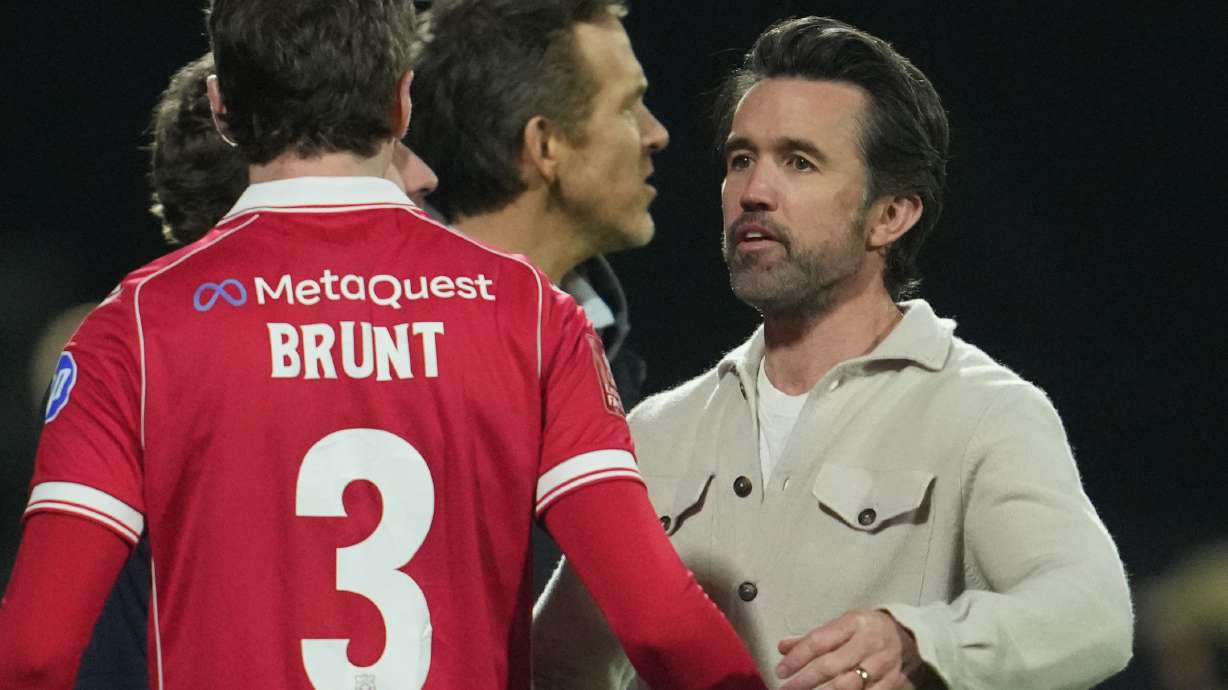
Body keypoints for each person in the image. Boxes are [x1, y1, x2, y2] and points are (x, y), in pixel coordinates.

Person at [0, 1, 766, 688]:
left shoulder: (132, 327)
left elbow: (36, 651)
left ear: (223, 109)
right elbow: (659, 621)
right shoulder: (532, 313)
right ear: (402, 101)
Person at [533, 15, 1134, 690]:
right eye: (741, 158)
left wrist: (916, 639)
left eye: (799, 161)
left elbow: (1094, 612)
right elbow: (555, 663)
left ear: (891, 215)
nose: (753, 191)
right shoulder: (656, 431)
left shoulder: (983, 413)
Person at [405, 0, 667, 591]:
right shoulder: (379, 349)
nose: (656, 133)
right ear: (546, 146)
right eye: (628, 106)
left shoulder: (604, 347)